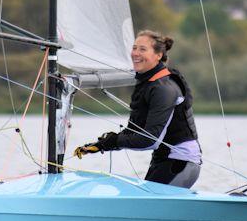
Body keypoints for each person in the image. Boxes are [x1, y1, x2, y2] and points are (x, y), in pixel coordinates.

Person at [73, 30, 202, 188]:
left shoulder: (164, 88)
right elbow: (135, 130)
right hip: (164, 160)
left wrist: (115, 141)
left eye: (142, 49)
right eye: (134, 48)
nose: (135, 53)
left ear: (158, 55)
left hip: (181, 163)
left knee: (147, 207)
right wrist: (101, 144)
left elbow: (150, 140)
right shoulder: (149, 83)